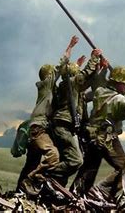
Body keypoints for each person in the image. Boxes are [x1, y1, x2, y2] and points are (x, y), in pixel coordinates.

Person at [71, 66, 125, 199]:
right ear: (118, 83)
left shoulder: (100, 92)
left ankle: (76, 195)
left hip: (93, 137)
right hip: (107, 138)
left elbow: (113, 96)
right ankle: (101, 191)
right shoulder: (119, 101)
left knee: (89, 169)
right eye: (124, 84)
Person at [17, 36, 79, 194]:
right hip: (39, 128)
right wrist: (70, 46)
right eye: (53, 74)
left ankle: (20, 190)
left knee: (31, 162)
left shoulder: (48, 90)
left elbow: (65, 75)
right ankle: (31, 179)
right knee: (53, 155)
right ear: (49, 75)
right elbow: (60, 66)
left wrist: (76, 66)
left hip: (38, 128)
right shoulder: (46, 85)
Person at [50, 48, 103, 186]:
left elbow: (92, 91)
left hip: (65, 127)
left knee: (67, 159)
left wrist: (99, 70)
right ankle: (45, 174)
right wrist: (94, 58)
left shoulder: (69, 88)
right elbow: (84, 75)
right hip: (63, 127)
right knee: (75, 161)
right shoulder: (71, 84)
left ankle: (55, 186)